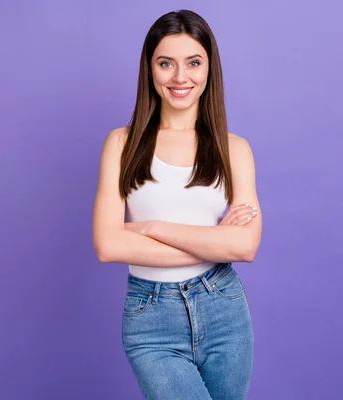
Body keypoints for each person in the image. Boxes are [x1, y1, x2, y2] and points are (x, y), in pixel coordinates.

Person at [92, 9, 262, 400]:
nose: (180, 77)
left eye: (193, 63)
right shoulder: (123, 143)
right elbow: (109, 245)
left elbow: (243, 247)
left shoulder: (234, 150)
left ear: (209, 69)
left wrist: (152, 228)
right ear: (150, 69)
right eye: (166, 63)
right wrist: (212, 240)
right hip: (150, 317)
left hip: (224, 312)